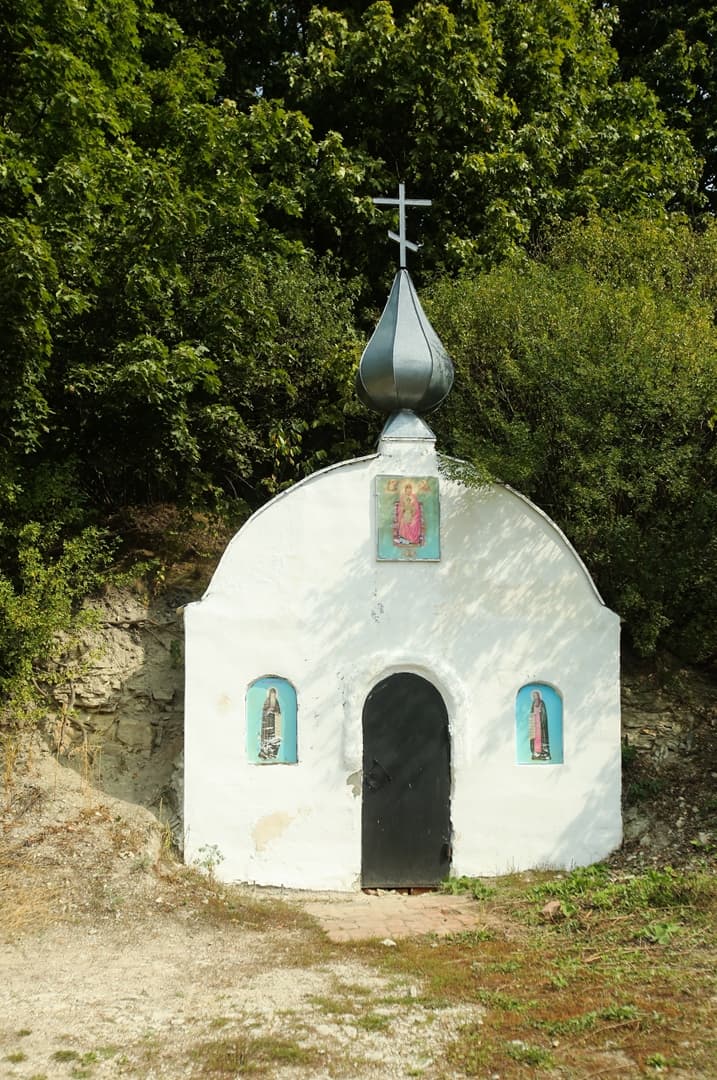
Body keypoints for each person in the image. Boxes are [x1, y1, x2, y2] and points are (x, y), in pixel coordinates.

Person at [393, 482, 425, 546]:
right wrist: (403, 509)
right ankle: (404, 539)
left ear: (411, 490)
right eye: (407, 491)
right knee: (403, 521)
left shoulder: (414, 497)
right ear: (405, 490)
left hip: (414, 514)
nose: (409, 492)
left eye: (410, 491)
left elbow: (416, 507)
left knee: (414, 522)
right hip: (405, 514)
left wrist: (413, 513)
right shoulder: (402, 497)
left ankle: (413, 539)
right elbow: (400, 507)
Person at [258, 687, 282, 760]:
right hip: (267, 723)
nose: (273, 695)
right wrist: (268, 711)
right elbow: (264, 712)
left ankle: (272, 754)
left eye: (274, 694)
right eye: (272, 694)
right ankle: (265, 753)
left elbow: (278, 712)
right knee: (266, 738)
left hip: (274, 723)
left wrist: (275, 712)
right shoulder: (267, 701)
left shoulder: (276, 702)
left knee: (274, 738)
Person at [528, 689, 551, 761]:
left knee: (541, 737)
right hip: (535, 722)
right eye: (533, 696)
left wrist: (540, 714)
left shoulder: (542, 703)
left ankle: (543, 753)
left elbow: (544, 713)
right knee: (535, 738)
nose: (534, 697)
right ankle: (536, 752)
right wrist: (532, 718)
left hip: (540, 722)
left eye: (535, 695)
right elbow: (531, 712)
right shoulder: (533, 703)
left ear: (538, 696)